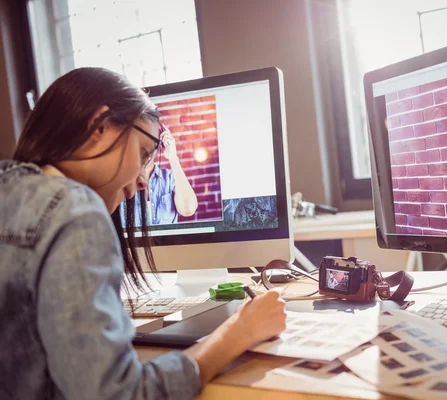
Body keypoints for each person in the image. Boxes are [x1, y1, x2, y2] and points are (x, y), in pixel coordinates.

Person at [0, 67, 286, 399]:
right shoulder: (75, 213)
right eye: (144, 153)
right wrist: (238, 333)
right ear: (101, 126)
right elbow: (120, 395)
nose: (142, 180)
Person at [141, 123, 198, 225]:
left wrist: (173, 157)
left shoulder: (169, 178)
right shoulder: (122, 182)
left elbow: (188, 209)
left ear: (159, 144)